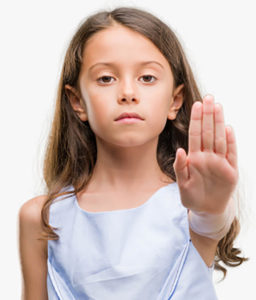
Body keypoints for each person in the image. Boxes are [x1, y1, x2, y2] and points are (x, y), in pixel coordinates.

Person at [18, 6, 247, 300]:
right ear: (78, 102)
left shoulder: (190, 209)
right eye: (106, 79)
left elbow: (209, 222)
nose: (127, 92)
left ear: (175, 101)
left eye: (147, 78)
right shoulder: (42, 218)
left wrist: (212, 207)